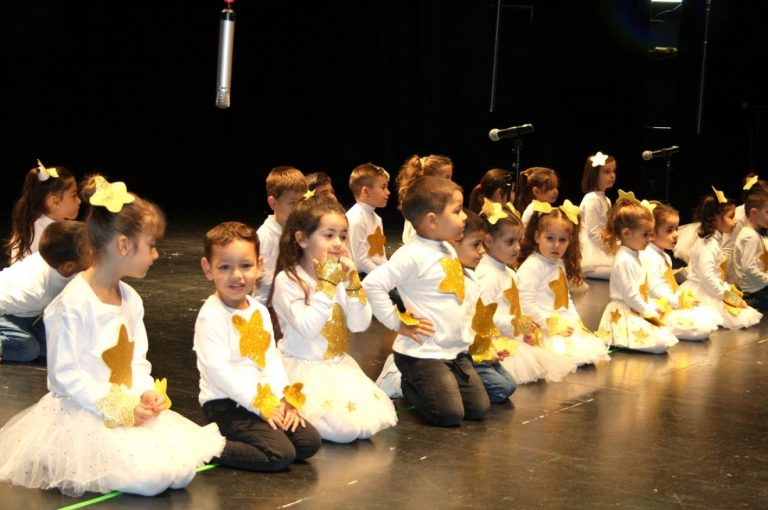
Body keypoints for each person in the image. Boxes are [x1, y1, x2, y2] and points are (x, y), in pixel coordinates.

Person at [0, 176, 224, 497]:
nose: (156, 255)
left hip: (127, 404)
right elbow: (64, 377)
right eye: (151, 245)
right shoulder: (74, 301)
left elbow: (137, 361)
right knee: (152, 479)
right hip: (87, 411)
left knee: (181, 470)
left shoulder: (131, 298)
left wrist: (146, 392)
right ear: (122, 245)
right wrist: (118, 408)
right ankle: (64, 458)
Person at [364, 175, 491, 426]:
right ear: (432, 220)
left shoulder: (446, 248)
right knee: (449, 414)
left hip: (453, 351)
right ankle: (404, 381)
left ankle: (443, 379)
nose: (465, 216)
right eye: (457, 211)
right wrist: (396, 322)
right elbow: (372, 284)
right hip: (422, 353)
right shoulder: (412, 255)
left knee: (478, 408)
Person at [194, 221, 320, 471]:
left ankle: (258, 428)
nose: (237, 276)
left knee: (308, 443)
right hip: (226, 403)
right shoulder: (212, 316)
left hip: (260, 399)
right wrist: (259, 406)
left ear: (260, 266)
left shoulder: (260, 311)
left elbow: (271, 358)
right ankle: (201, 446)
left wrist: (283, 399)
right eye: (225, 267)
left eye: (246, 266)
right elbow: (218, 371)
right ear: (208, 269)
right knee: (280, 455)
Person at [271, 194, 397, 443]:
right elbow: (308, 328)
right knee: (344, 431)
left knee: (364, 425)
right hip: (302, 368)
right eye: (328, 236)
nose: (338, 243)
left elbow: (359, 325)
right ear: (302, 239)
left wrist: (352, 284)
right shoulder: (288, 281)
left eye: (342, 236)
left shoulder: (338, 276)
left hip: (336, 366)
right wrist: (327, 285)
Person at [474, 199, 577, 383]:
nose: (517, 248)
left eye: (519, 241)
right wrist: (516, 325)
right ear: (488, 240)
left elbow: (516, 309)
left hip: (511, 336)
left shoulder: (508, 272)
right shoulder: (487, 275)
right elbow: (484, 319)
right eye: (510, 242)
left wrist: (524, 330)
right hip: (496, 341)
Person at [516, 201, 610, 365]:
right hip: (541, 325)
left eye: (562, 240)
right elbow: (525, 304)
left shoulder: (558, 263)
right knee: (565, 356)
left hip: (560, 322)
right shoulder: (532, 266)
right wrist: (551, 324)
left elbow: (565, 298)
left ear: (570, 241)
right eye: (550, 238)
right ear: (538, 236)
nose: (556, 245)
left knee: (586, 351)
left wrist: (575, 321)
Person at [596, 193, 679, 353]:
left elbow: (641, 292)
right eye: (645, 234)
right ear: (627, 233)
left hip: (634, 307)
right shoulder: (624, 260)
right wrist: (648, 311)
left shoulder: (634, 255)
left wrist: (651, 307)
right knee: (660, 342)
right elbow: (631, 295)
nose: (650, 238)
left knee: (665, 332)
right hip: (623, 312)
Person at [452, 208, 516, 403]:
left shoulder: (473, 276)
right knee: (501, 388)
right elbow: (466, 323)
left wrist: (490, 347)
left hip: (476, 345)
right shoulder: (483, 275)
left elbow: (481, 321)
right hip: (461, 351)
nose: (481, 250)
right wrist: (482, 351)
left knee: (509, 384)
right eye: (476, 245)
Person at [0, 220, 87, 362]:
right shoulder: (35, 292)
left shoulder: (61, 261)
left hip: (26, 314)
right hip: (5, 312)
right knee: (27, 350)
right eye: (90, 253)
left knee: (60, 346)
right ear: (69, 267)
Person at [680, 187, 762, 329]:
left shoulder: (713, 241)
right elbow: (707, 276)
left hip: (710, 287)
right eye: (730, 217)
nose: (735, 221)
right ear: (716, 219)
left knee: (744, 312)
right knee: (735, 315)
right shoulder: (708, 244)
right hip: (703, 290)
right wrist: (727, 296)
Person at [640, 202, 722, 340]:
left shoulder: (664, 255)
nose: (676, 234)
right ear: (652, 234)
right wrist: (679, 301)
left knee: (706, 317)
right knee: (699, 328)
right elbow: (655, 290)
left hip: (667, 303)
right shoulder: (649, 256)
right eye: (669, 230)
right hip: (656, 306)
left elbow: (670, 285)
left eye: (676, 229)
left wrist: (682, 297)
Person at [5, 160, 81, 264]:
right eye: (74, 195)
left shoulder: (35, 224)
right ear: (54, 202)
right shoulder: (49, 237)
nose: (79, 200)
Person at [253, 166, 307, 307]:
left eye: (302, 201)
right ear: (273, 203)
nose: (299, 208)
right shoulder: (265, 237)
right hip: (269, 310)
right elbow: (264, 283)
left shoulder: (300, 231)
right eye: (292, 203)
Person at [395, 154, 453, 244]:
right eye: (447, 177)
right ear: (430, 178)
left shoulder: (439, 198)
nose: (450, 182)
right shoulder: (421, 199)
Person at [346, 163, 391, 276]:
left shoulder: (377, 218)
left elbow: (380, 256)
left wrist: (390, 273)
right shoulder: (356, 218)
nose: (388, 192)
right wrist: (385, 277)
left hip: (376, 273)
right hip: (362, 278)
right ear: (366, 191)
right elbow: (361, 261)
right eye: (383, 187)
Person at [728, 189, 768, 310]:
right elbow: (749, 268)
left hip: (757, 288)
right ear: (754, 213)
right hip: (756, 292)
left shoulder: (751, 234)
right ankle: (751, 302)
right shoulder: (750, 237)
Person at [579, 151, 616, 279]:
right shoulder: (592, 199)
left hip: (602, 244)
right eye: (606, 172)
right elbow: (592, 232)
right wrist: (609, 247)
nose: (612, 176)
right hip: (592, 249)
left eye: (613, 171)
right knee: (617, 272)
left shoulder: (606, 200)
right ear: (594, 175)